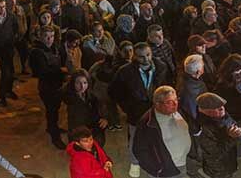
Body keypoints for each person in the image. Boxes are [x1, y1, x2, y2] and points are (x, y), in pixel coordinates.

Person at [109, 42, 171, 178]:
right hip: (136, 112)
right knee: (135, 138)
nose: (146, 59)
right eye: (141, 56)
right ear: (134, 57)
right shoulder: (125, 71)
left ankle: (156, 161)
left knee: (157, 136)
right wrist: (127, 107)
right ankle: (135, 162)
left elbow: (167, 85)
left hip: (157, 110)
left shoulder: (161, 67)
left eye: (148, 55)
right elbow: (114, 92)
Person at [132, 86, 192, 178]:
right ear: (157, 104)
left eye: (176, 99)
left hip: (182, 164)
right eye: (169, 102)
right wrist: (157, 169)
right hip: (165, 170)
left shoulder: (178, 111)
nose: (175, 103)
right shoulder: (147, 123)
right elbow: (139, 150)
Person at [29, 25, 68, 149]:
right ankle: (55, 137)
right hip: (46, 86)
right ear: (40, 37)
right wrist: (60, 71)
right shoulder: (37, 52)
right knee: (51, 110)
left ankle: (52, 127)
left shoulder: (54, 48)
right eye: (46, 37)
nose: (49, 39)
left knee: (54, 109)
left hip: (57, 84)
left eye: (51, 36)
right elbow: (42, 71)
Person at [195, 92, 241, 178]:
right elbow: (215, 154)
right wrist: (232, 137)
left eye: (222, 107)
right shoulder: (204, 128)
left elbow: (234, 126)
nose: (222, 109)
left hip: (230, 163)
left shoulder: (224, 117)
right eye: (217, 108)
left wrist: (237, 132)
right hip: (218, 171)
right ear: (206, 111)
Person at [63, 69, 108, 147]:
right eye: (78, 83)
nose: (82, 86)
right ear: (73, 83)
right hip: (80, 134)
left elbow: (99, 109)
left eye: (85, 83)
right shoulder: (71, 99)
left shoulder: (90, 95)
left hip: (91, 129)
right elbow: (76, 125)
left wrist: (104, 118)